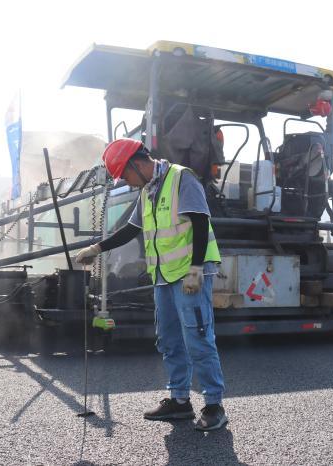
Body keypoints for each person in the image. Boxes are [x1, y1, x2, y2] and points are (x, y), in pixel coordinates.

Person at [75, 138, 228, 431]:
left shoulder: (182, 178)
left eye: (126, 175)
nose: (128, 182)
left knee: (198, 337)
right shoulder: (148, 190)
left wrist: (196, 269)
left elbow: (199, 222)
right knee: (169, 339)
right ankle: (180, 401)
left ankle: (214, 405)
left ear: (138, 163)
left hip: (190, 272)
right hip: (164, 275)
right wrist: (97, 248)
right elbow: (131, 229)